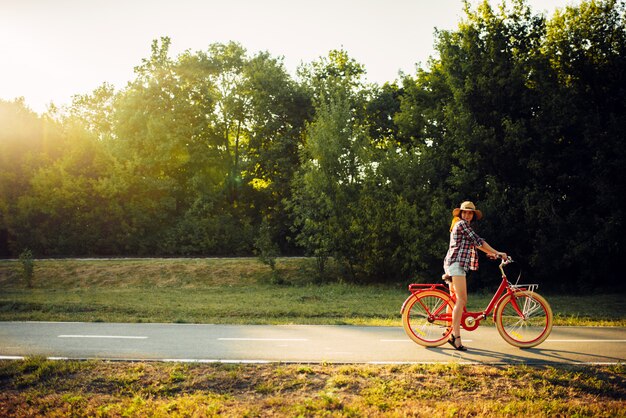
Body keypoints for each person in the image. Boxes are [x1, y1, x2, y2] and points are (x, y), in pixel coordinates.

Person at [442, 201, 507, 351]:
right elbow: (479, 241)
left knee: (453, 300)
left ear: (473, 215)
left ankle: (448, 330)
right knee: (462, 299)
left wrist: (491, 253)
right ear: (460, 213)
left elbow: (476, 244)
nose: (467, 215)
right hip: (456, 264)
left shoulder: (463, 226)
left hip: (453, 264)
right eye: (465, 212)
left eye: (470, 213)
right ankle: (455, 337)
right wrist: (498, 253)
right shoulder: (461, 224)